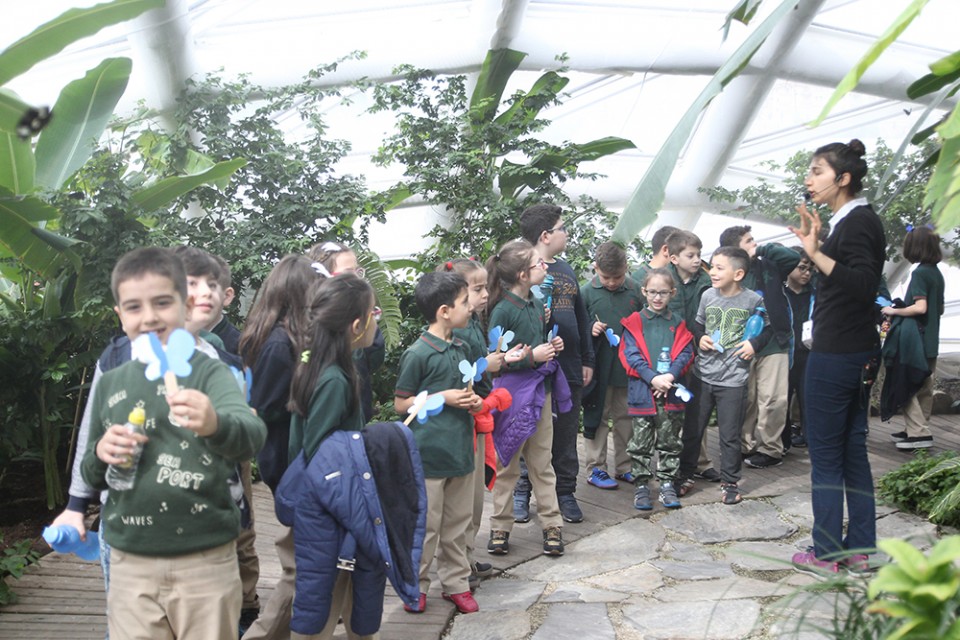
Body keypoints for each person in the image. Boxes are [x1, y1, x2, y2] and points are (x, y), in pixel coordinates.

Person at [81, 247, 266, 640]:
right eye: (134, 307)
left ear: (184, 306)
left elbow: (251, 437)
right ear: (120, 314)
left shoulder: (212, 371)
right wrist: (100, 454)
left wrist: (215, 423)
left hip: (205, 555)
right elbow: (90, 468)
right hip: (129, 555)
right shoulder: (112, 379)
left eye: (162, 303)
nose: (149, 317)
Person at [277, 273, 396, 639]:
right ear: (357, 326)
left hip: (332, 508)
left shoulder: (322, 363)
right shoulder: (334, 380)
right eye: (374, 313)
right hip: (331, 512)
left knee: (347, 602)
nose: (377, 320)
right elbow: (320, 454)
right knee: (322, 607)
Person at [789, 139, 886, 573]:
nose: (809, 179)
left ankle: (826, 553)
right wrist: (821, 247)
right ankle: (859, 550)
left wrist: (814, 255)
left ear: (843, 178)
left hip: (837, 356)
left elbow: (864, 285)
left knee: (827, 456)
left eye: (817, 171)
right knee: (850, 451)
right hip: (852, 352)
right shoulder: (850, 221)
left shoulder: (859, 222)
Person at [174, 246, 261, 631]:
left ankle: (247, 603)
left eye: (210, 286)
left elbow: (250, 413)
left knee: (240, 534)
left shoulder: (232, 347)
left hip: (225, 461)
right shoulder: (134, 355)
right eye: (191, 285)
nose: (202, 295)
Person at [394, 271, 483, 615]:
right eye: (464, 302)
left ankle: (456, 583)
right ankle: (415, 585)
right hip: (428, 456)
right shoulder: (418, 353)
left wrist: (472, 401)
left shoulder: (463, 347)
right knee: (426, 526)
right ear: (444, 311)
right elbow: (401, 404)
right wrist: (441, 397)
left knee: (458, 524)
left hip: (460, 451)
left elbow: (467, 390)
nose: (470, 308)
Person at [240, 255, 318, 640]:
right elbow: (264, 408)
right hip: (285, 458)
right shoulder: (277, 344)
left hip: (293, 456)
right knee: (300, 561)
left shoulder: (292, 337)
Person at [485, 240, 567, 557]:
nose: (544, 266)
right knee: (506, 464)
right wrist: (533, 356)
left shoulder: (536, 303)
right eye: (538, 264)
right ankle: (500, 527)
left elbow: (537, 344)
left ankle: (552, 525)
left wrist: (551, 346)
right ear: (522, 274)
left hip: (539, 394)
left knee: (542, 464)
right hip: (510, 398)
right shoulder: (503, 310)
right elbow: (495, 360)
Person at [514, 204, 594, 523]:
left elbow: (581, 316)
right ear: (546, 235)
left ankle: (565, 492)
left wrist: (587, 358)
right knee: (527, 431)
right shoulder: (521, 270)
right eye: (563, 228)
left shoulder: (566, 269)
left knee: (566, 432)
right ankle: (522, 491)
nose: (567, 233)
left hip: (569, 366)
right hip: (532, 371)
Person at [441, 259, 516, 590]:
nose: (486, 294)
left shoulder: (473, 321)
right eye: (477, 289)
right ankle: (457, 563)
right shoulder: (455, 330)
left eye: (486, 287)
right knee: (462, 502)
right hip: (465, 419)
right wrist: (488, 363)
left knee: (473, 498)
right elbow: (459, 372)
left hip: (479, 414)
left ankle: (467, 557)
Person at [678, 246, 771, 505]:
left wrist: (754, 344)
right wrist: (700, 337)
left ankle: (730, 482)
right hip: (702, 376)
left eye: (720, 268)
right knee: (693, 431)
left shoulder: (753, 300)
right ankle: (685, 475)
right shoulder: (708, 295)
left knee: (730, 435)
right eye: (712, 267)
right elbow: (697, 323)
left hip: (734, 380)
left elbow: (769, 329)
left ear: (738, 274)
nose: (712, 272)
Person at [717, 226, 799, 469]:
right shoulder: (728, 273)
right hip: (740, 344)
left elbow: (793, 257)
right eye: (749, 241)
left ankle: (771, 449)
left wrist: (761, 249)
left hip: (774, 342)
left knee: (773, 398)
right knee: (746, 399)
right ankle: (744, 445)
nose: (754, 243)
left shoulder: (770, 265)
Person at [619, 268, 695, 510]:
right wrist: (653, 379)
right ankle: (641, 486)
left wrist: (669, 377)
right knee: (640, 444)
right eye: (652, 292)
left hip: (671, 392)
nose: (657, 297)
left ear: (672, 293)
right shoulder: (634, 322)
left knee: (670, 442)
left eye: (663, 292)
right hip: (643, 393)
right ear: (644, 292)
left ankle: (667, 484)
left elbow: (686, 353)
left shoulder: (678, 323)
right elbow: (630, 355)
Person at [582, 242, 644, 490]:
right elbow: (577, 326)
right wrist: (590, 328)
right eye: (605, 277)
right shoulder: (586, 293)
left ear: (626, 268)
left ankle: (625, 466)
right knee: (597, 416)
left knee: (625, 416)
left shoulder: (636, 290)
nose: (611, 282)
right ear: (596, 268)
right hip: (598, 369)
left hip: (627, 368)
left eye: (617, 277)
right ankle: (595, 468)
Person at [307, 241, 385, 422]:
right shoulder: (330, 377)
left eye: (358, 272)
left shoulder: (361, 324)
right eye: (349, 274)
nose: (358, 280)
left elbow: (375, 356)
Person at [882, 226, 945, 450]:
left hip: (914, 342)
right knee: (924, 387)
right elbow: (939, 309)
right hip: (931, 340)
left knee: (905, 383)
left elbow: (920, 307)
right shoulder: (936, 273)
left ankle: (918, 433)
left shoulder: (919, 273)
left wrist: (894, 310)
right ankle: (918, 428)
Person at [664, 230, 717, 484]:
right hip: (669, 359)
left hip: (699, 356)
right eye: (691, 255)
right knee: (670, 414)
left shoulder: (706, 282)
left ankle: (698, 463)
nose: (697, 260)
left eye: (699, 254)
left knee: (697, 412)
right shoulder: (663, 280)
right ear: (674, 258)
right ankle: (670, 465)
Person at [783, 249, 815, 449]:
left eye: (810, 269)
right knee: (782, 399)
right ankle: (783, 441)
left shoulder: (815, 293)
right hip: (785, 353)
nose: (806, 273)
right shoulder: (780, 293)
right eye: (802, 268)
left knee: (808, 397)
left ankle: (811, 438)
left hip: (809, 353)